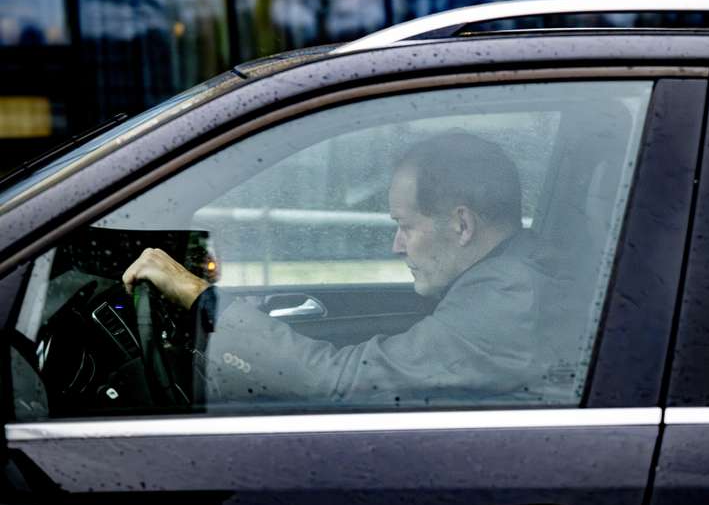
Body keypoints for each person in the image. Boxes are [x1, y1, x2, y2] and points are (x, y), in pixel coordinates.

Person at [123, 132, 578, 406]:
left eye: (404, 225)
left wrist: (203, 300)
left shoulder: (508, 304)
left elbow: (339, 383)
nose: (396, 245)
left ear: (461, 224)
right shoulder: (515, 278)